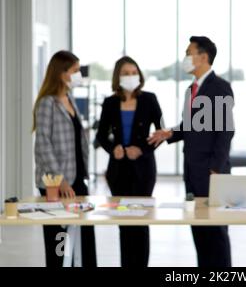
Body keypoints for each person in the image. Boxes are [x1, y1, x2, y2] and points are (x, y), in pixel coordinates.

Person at [148, 36, 234, 267]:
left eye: (189, 52)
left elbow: (225, 132)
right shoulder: (192, 89)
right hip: (192, 171)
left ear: (203, 57)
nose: (185, 58)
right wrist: (169, 133)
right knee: (199, 231)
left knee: (216, 233)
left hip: (211, 173)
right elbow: (191, 126)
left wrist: (216, 169)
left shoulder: (220, 88)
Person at [96, 56, 162, 267]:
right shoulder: (110, 102)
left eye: (134, 72)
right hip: (118, 170)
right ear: (118, 76)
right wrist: (112, 148)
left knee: (141, 222)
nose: (131, 76)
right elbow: (100, 136)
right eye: (126, 73)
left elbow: (161, 133)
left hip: (143, 169)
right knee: (123, 222)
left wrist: (141, 149)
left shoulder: (150, 99)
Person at [33, 50, 97, 267]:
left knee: (85, 241)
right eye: (75, 71)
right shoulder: (46, 103)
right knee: (60, 244)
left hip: (77, 179)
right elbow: (43, 144)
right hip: (56, 184)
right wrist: (60, 180)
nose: (79, 75)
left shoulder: (69, 98)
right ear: (62, 73)